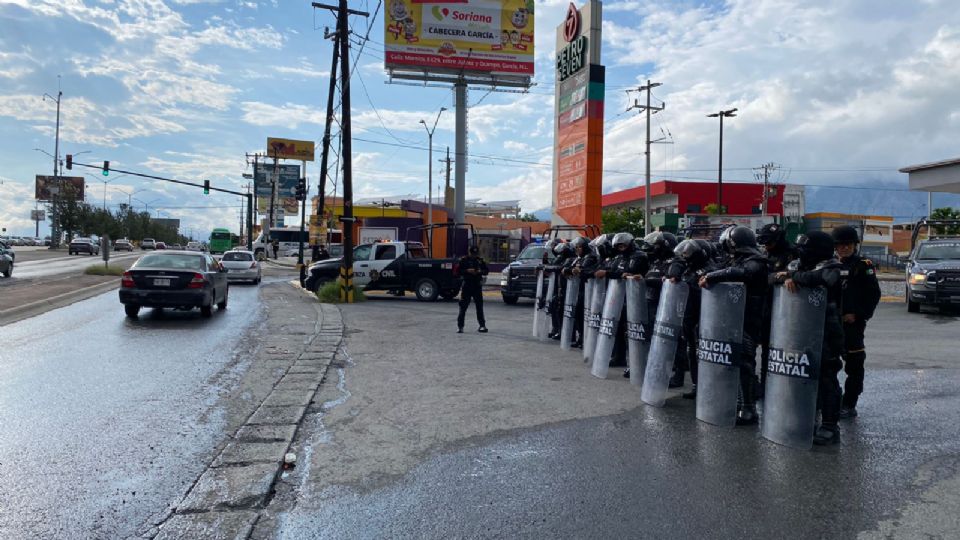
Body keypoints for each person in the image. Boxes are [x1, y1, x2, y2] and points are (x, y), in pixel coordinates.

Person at [771, 231, 845, 445]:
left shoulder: (833, 266)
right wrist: (784, 276)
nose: (800, 253)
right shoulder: (796, 265)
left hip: (827, 333)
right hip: (798, 332)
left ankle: (831, 426)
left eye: (805, 249)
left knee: (827, 379)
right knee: (798, 378)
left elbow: (825, 278)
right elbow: (770, 277)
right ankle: (805, 419)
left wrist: (793, 277)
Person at [699, 226, 770, 425]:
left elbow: (745, 273)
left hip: (749, 318)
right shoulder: (735, 259)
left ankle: (749, 408)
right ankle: (738, 402)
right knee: (734, 360)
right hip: (733, 317)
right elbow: (717, 268)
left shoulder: (757, 260)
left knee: (745, 362)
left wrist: (713, 277)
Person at [832, 225, 881, 419]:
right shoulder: (830, 265)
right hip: (831, 323)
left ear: (854, 245)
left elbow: (873, 295)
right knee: (829, 365)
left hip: (852, 325)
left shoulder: (863, 265)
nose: (844, 248)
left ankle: (849, 404)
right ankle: (830, 401)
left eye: (848, 244)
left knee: (854, 365)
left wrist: (858, 314)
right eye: (840, 245)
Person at [667, 239, 716, 398]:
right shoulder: (689, 268)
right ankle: (696, 385)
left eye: (689, 253)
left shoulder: (710, 270)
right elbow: (676, 263)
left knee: (704, 355)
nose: (686, 256)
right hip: (689, 319)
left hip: (704, 320)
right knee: (692, 353)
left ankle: (708, 387)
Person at [757, 223, 799, 396]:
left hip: (789, 311)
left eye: (769, 242)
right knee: (767, 348)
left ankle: (788, 387)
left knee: (790, 350)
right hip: (768, 307)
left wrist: (788, 276)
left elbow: (800, 275)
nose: (766, 246)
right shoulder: (765, 254)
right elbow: (761, 278)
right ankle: (766, 384)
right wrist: (777, 277)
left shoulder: (794, 253)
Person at [600, 232, 649, 370]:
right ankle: (619, 357)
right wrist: (613, 273)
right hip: (619, 296)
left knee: (633, 331)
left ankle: (635, 363)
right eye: (618, 246)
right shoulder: (620, 257)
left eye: (623, 245)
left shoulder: (639, 256)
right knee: (619, 328)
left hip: (635, 298)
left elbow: (629, 271)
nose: (621, 248)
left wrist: (613, 274)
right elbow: (614, 270)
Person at [640, 231, 681, 385]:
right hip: (651, 301)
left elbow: (671, 280)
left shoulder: (675, 261)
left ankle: (677, 373)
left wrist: (648, 281)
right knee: (653, 337)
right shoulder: (655, 261)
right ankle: (657, 368)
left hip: (668, 306)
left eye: (656, 244)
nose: (653, 248)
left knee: (672, 339)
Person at [566, 236, 598, 348]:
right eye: (576, 247)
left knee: (584, 314)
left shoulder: (590, 257)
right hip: (578, 288)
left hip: (587, 290)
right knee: (578, 314)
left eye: (579, 247)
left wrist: (577, 270)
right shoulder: (579, 258)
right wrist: (570, 270)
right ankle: (580, 338)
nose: (577, 249)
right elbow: (570, 268)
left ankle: (585, 339)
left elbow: (582, 270)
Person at [457, 245, 489, 333]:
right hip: (467, 285)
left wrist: (479, 271)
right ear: (469, 252)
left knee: (479, 306)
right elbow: (458, 272)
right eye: (472, 253)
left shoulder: (480, 260)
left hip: (477, 285)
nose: (474, 255)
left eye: (475, 254)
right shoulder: (463, 260)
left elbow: (486, 271)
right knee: (463, 306)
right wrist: (467, 271)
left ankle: (482, 325)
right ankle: (460, 327)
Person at [549, 241, 576, 340]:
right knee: (557, 309)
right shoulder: (563, 258)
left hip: (569, 289)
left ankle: (569, 334)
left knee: (568, 312)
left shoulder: (571, 259)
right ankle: (558, 330)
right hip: (560, 287)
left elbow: (559, 267)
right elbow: (555, 265)